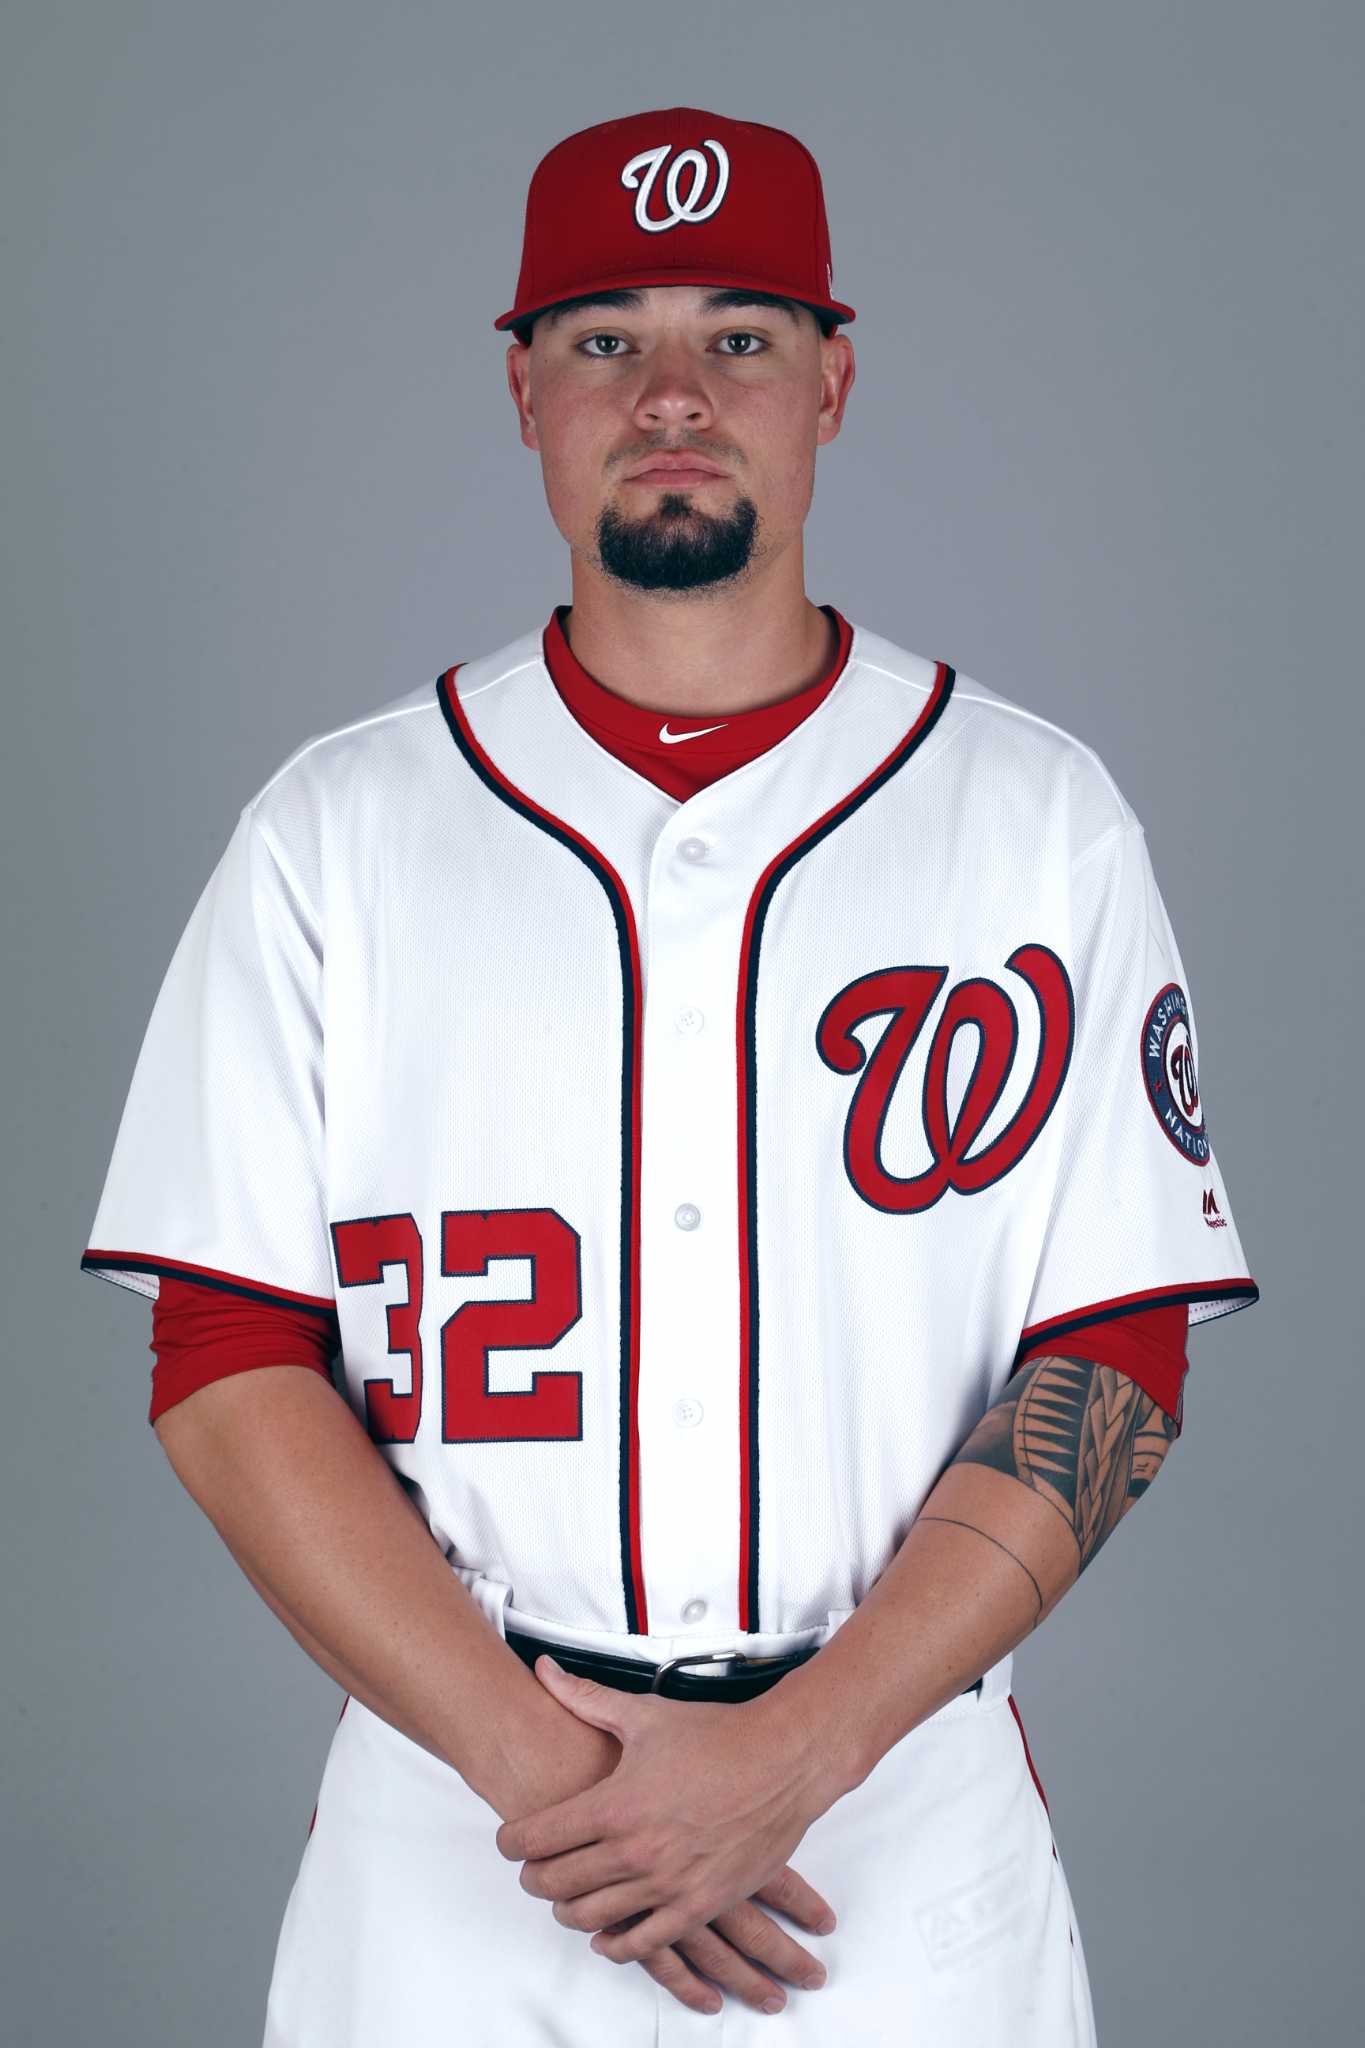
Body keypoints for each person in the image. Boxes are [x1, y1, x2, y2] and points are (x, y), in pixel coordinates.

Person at [80, 106, 1259, 2045]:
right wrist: (552, 1784)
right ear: (524, 389)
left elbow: (1115, 1348)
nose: (675, 393)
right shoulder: (336, 830)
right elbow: (220, 1355)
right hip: (457, 1827)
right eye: (607, 338)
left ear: (831, 385)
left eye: (741, 336)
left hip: (895, 1818)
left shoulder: (1031, 818)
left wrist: (790, 1758)